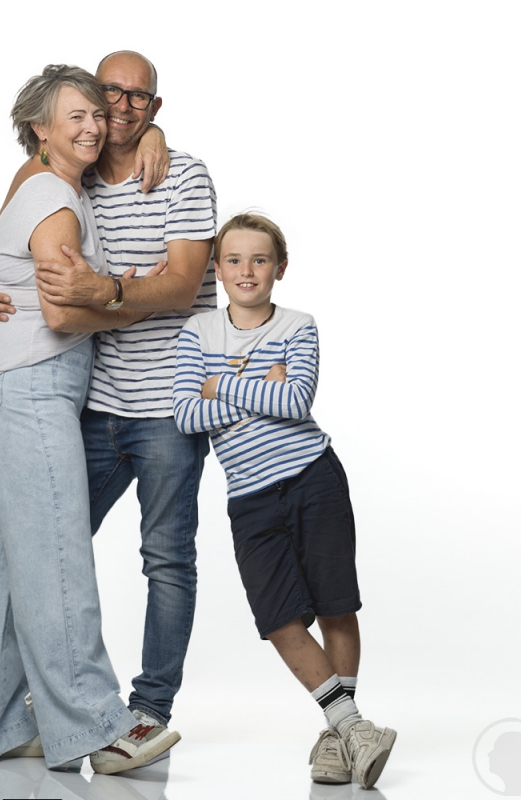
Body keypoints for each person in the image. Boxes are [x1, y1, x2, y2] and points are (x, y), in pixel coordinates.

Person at [0, 51, 216, 739]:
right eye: (110, 94)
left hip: (168, 407)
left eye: (141, 98)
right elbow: (14, 267)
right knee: (42, 548)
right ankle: (33, 712)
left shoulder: (183, 173)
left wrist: (106, 292)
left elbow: (182, 282)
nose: (123, 107)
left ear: (155, 110)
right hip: (90, 403)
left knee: (166, 559)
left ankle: (147, 711)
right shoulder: (71, 177)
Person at [172, 213, 396, 789]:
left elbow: (296, 402)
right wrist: (260, 389)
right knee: (277, 619)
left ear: (280, 268)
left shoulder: (299, 324)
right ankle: (353, 726)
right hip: (249, 497)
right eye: (235, 260)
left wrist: (221, 384)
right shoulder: (198, 333)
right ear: (217, 269)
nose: (247, 270)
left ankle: (337, 738)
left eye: (260, 259)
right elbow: (185, 415)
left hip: (312, 479)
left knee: (334, 604)